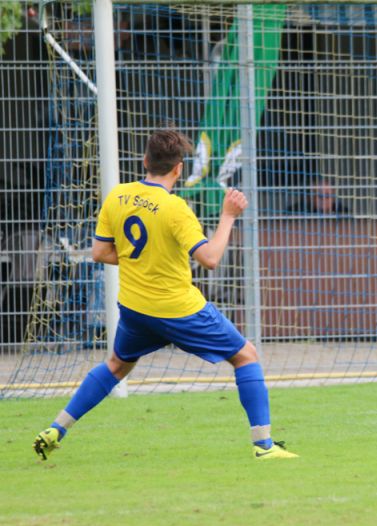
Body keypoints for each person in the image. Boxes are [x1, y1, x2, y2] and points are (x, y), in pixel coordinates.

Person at [32, 130, 298, 460]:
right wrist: (228, 216)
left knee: (116, 366)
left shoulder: (118, 196)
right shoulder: (176, 208)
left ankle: (56, 428)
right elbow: (210, 258)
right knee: (246, 355)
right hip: (177, 308)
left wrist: (143, 260)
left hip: (135, 308)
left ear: (145, 161)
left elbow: (100, 252)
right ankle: (264, 446)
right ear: (178, 168)